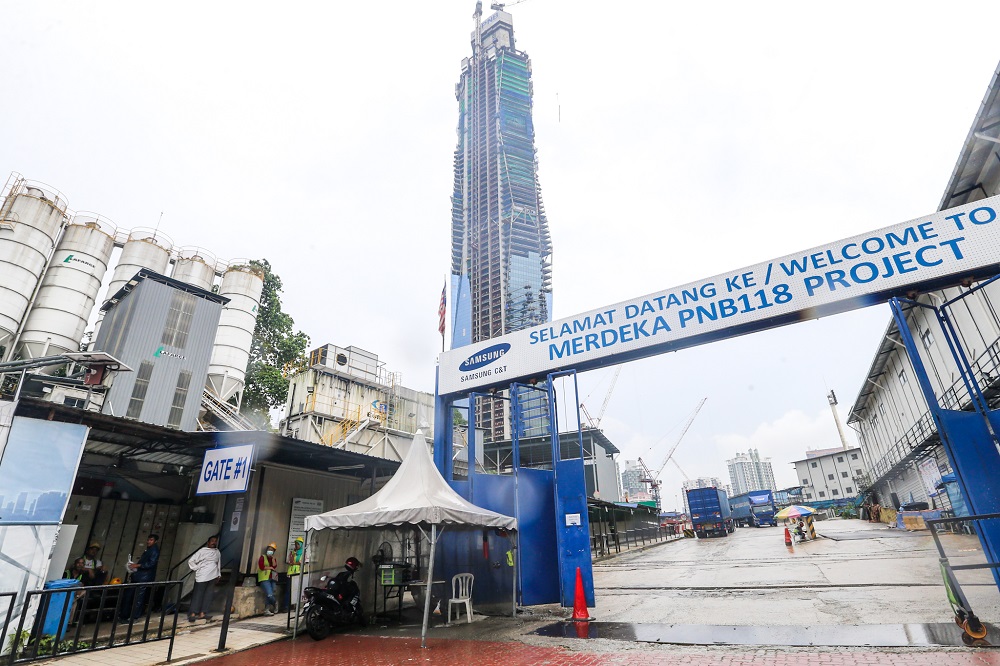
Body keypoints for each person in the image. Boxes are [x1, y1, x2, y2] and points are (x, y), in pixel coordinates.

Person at [122, 534, 160, 621]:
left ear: (155, 541)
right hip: (140, 576)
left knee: (138, 597)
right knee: (133, 596)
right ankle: (127, 614)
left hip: (144, 577)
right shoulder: (150, 549)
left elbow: (151, 563)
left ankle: (134, 616)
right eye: (148, 540)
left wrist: (138, 565)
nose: (149, 541)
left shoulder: (154, 551)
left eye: (151, 540)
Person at [187, 535, 221, 622]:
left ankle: (203, 613)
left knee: (208, 595)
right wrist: (197, 568)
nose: (214, 542)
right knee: (198, 594)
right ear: (208, 543)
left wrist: (218, 574)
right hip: (202, 575)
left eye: (215, 541)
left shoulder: (217, 552)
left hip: (213, 575)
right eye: (212, 541)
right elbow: (191, 561)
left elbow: (218, 564)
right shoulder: (202, 551)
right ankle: (193, 613)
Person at [257, 542, 279, 616]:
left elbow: (275, 566)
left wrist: (272, 559)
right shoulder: (263, 557)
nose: (270, 551)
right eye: (269, 549)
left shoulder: (273, 558)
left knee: (270, 594)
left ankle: (267, 610)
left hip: (272, 578)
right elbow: (261, 567)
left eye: (272, 550)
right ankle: (275, 603)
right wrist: (270, 567)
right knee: (270, 594)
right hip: (264, 578)